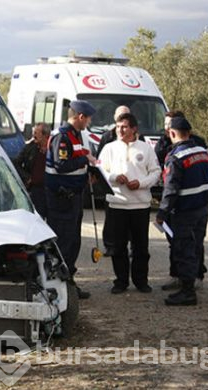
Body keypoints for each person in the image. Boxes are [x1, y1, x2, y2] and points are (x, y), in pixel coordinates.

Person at [99, 113, 161, 294]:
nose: (120, 130)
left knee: (141, 247)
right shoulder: (109, 148)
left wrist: (141, 183)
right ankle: (121, 281)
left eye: (124, 127)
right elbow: (101, 169)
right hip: (117, 204)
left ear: (134, 129)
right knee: (118, 247)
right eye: (118, 127)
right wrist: (114, 177)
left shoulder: (146, 149)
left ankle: (141, 281)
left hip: (140, 205)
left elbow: (156, 171)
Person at [156, 116, 208, 306]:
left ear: (172, 133)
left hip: (185, 212)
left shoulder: (176, 158)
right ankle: (189, 285)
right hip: (202, 209)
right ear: (189, 133)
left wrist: (162, 213)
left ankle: (187, 292)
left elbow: (171, 189)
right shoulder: (203, 152)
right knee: (195, 248)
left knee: (184, 250)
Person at [45, 100, 98, 299]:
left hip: (74, 196)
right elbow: (61, 165)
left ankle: (69, 284)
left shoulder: (75, 135)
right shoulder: (62, 136)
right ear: (80, 117)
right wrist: (85, 160)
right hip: (61, 198)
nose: (89, 122)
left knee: (73, 241)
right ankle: (59, 289)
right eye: (88, 118)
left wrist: (88, 171)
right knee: (64, 243)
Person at [97, 105, 131, 257]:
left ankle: (129, 245)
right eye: (120, 116)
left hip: (131, 187)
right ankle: (110, 245)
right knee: (111, 217)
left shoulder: (138, 137)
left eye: (126, 115)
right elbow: (100, 162)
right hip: (112, 185)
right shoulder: (107, 137)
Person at [13, 123, 50, 218]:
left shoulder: (53, 147)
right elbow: (16, 163)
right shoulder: (30, 147)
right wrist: (27, 177)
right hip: (35, 190)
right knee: (37, 217)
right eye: (34, 133)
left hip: (50, 189)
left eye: (36, 133)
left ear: (45, 135)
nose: (34, 136)